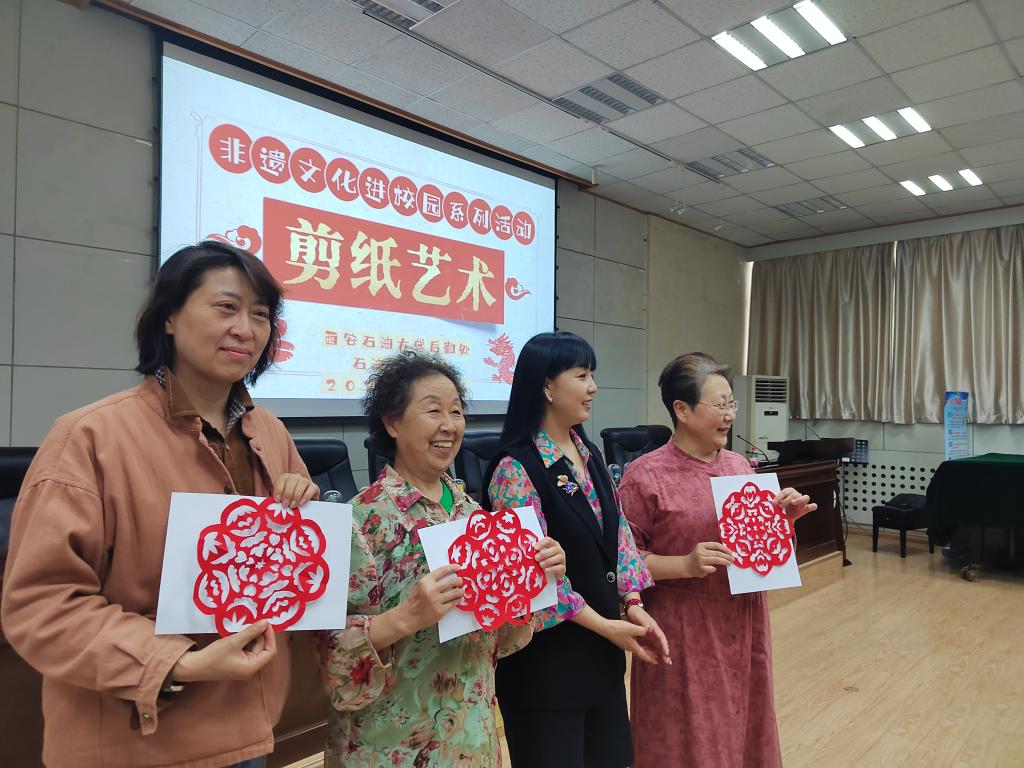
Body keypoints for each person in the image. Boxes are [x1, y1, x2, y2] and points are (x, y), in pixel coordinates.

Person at [1, 241, 319, 768]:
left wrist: (305, 513)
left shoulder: (270, 432)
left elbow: (288, 574)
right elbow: (41, 606)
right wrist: (180, 662)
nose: (246, 329)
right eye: (226, 307)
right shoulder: (89, 437)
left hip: (253, 725)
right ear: (169, 317)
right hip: (139, 740)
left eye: (261, 315)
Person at [317, 351, 566, 767]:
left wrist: (536, 581)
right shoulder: (361, 520)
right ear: (392, 422)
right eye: (433, 410)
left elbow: (505, 640)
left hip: (472, 735)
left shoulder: (476, 517)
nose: (449, 425)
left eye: (456, 411)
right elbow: (329, 654)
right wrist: (406, 617)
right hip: (390, 746)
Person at [618, 353, 817, 768]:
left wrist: (783, 523)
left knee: (743, 724)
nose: (729, 415)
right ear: (682, 410)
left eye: (732, 404)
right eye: (720, 405)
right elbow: (624, 562)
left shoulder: (740, 466)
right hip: (683, 628)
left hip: (743, 621)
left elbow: (759, 552)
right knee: (687, 737)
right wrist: (684, 565)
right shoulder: (645, 475)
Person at [484, 331, 670, 768]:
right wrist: (607, 627)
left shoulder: (588, 452)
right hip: (545, 670)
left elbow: (618, 537)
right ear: (546, 386)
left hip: (601, 660)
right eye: (582, 375)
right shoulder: (515, 468)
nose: (593, 387)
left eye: (592, 375)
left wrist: (632, 603)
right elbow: (533, 579)